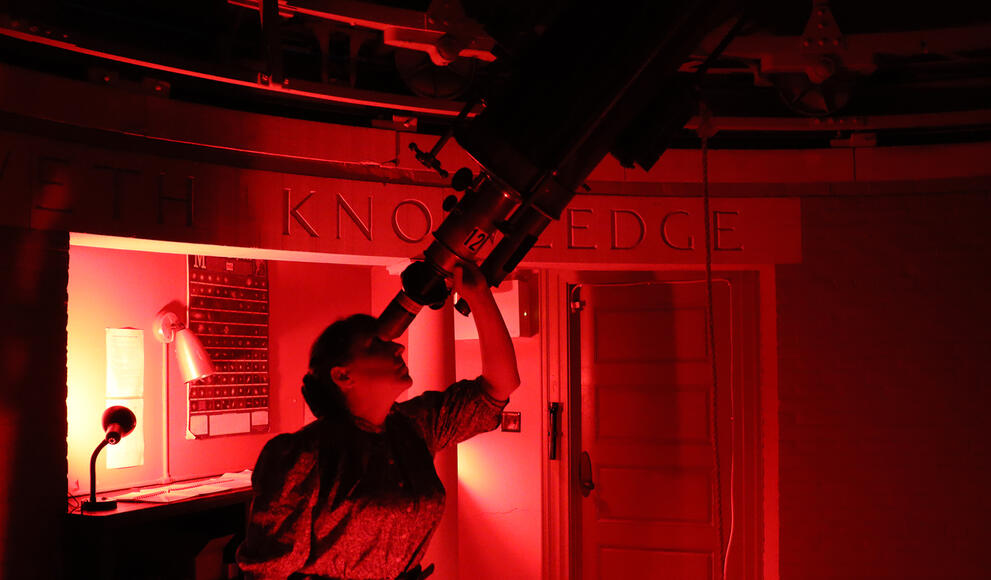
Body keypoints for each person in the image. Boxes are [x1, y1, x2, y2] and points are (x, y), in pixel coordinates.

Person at [236, 262, 521, 580]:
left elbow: (499, 386)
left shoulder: (415, 428)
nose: (398, 346)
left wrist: (479, 295)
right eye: (376, 345)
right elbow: (267, 572)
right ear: (343, 376)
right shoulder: (302, 456)